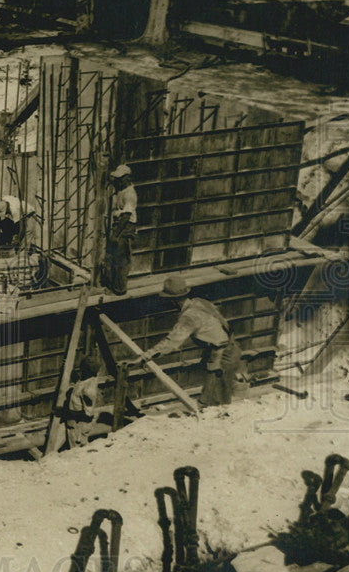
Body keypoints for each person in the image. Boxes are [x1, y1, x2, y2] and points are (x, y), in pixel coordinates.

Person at [135, 275, 246, 406]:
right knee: (223, 399)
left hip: (221, 358)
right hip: (232, 349)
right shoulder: (200, 302)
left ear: (173, 301)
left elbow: (171, 342)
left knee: (212, 404)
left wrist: (145, 356)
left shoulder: (189, 317)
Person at [101, 163, 137, 295]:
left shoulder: (130, 194)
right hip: (119, 224)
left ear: (127, 178)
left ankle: (120, 289)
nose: (118, 181)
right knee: (114, 257)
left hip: (125, 226)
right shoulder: (122, 189)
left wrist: (115, 235)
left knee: (121, 259)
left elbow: (126, 216)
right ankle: (113, 285)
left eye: (120, 178)